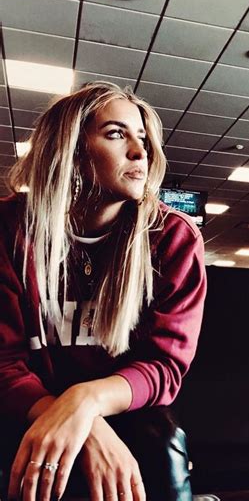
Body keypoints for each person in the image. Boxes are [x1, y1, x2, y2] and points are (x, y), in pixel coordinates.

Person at [0, 82, 206, 501]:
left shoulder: (172, 237)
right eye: (116, 134)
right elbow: (2, 361)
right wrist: (81, 421)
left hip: (129, 410)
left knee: (157, 444)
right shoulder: (9, 228)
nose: (139, 151)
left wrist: (86, 400)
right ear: (71, 149)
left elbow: (165, 365)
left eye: (143, 138)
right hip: (27, 404)